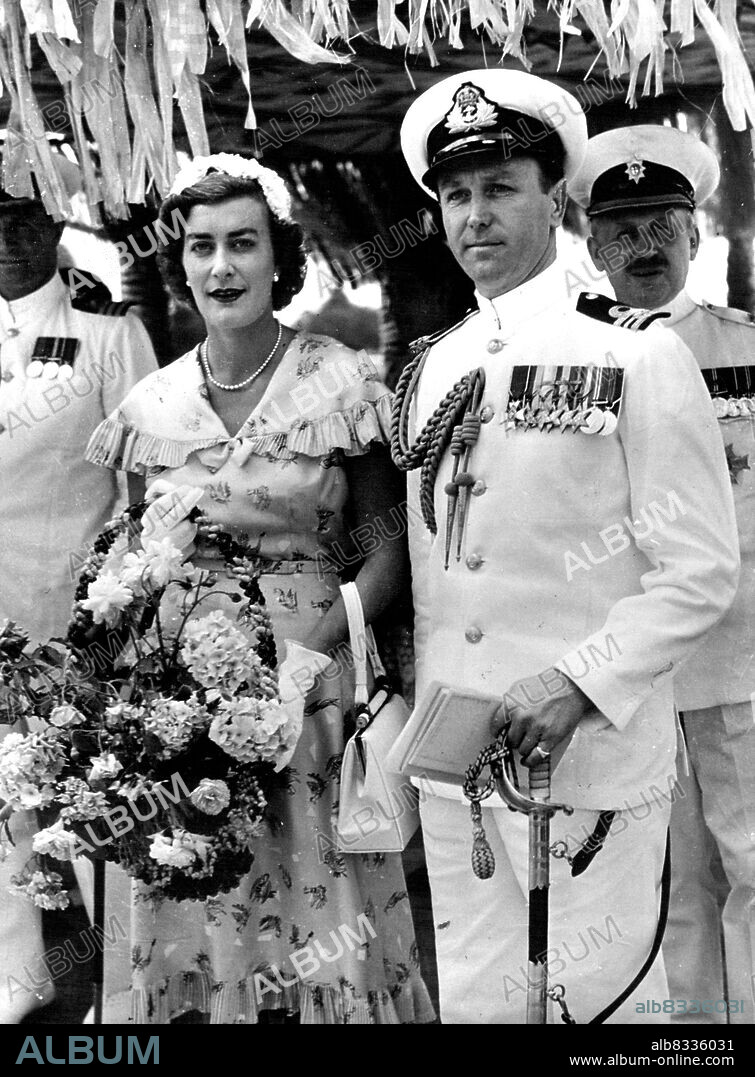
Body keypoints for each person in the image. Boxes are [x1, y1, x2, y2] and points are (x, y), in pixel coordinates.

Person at [392, 70, 740, 1024]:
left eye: (499, 188)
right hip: (459, 756)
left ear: (553, 201)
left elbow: (698, 567)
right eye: (455, 195)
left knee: (600, 1008)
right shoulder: (435, 365)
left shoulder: (634, 354)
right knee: (481, 1002)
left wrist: (579, 681)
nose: (475, 215)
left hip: (583, 752)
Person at [85, 154, 433, 1024]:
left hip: (314, 684)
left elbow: (387, 550)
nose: (220, 267)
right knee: (201, 891)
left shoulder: (342, 380)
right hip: (187, 707)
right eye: (201, 247)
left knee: (324, 913)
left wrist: (305, 668)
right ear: (182, 264)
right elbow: (136, 565)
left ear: (280, 258)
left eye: (243, 244)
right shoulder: (150, 405)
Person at [570, 124, 755, 1024]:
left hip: (742, 657)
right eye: (622, 230)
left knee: (753, 867)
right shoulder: (568, 361)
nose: (644, 247)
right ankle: (686, 1035)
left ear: (695, 233)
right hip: (623, 671)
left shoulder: (744, 345)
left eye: (662, 225)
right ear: (591, 245)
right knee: (659, 879)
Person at [0, 155, 157, 1024]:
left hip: (73, 618)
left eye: (23, 214)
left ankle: (127, 993)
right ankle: (16, 977)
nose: (6, 236)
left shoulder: (105, 330)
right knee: (2, 810)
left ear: (56, 221)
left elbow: (142, 489)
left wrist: (117, 607)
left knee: (100, 806)